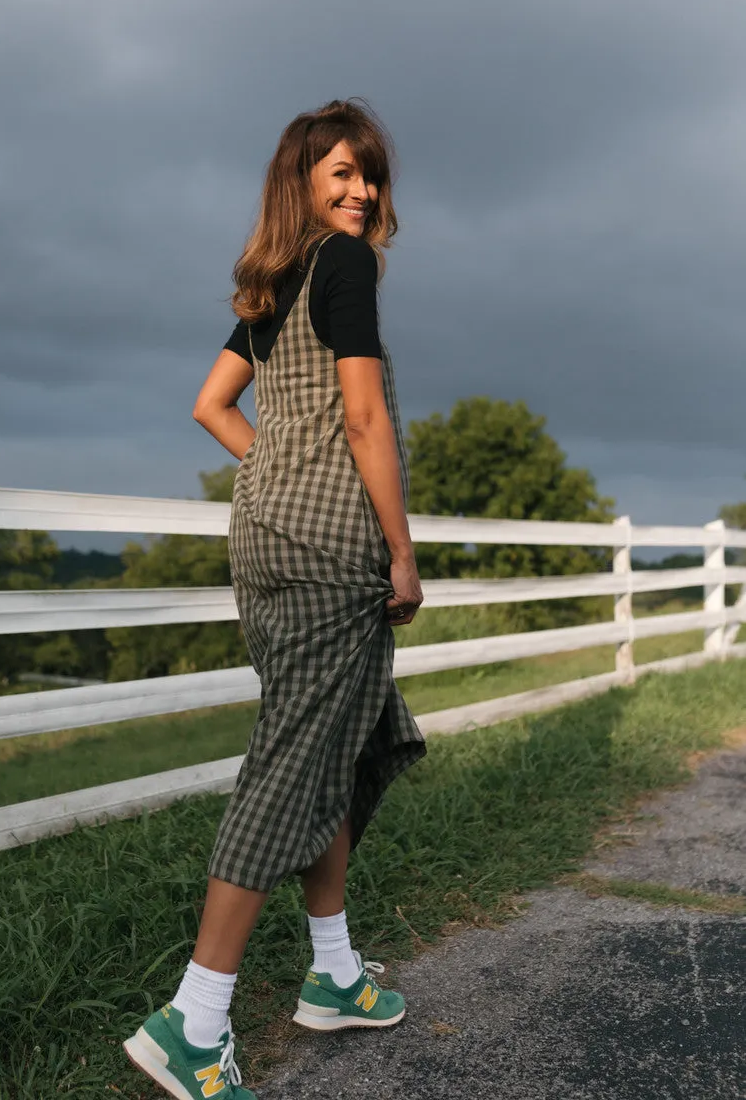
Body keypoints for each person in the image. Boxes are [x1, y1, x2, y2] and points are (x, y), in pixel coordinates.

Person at [123, 98, 427, 1099]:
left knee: (336, 740)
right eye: (339, 173)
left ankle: (335, 971)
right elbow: (364, 409)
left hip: (264, 544)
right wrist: (398, 548)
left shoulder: (270, 283)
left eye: (368, 174)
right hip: (333, 548)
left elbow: (212, 406)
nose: (359, 190)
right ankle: (192, 1021)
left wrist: (273, 476)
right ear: (300, 182)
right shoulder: (345, 267)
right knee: (292, 764)